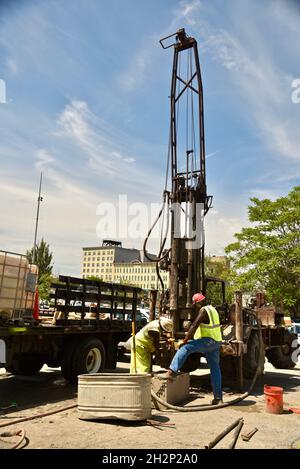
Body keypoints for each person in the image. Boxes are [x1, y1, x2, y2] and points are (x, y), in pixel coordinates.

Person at [166, 293, 223, 405]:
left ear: (197, 303)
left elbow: (194, 325)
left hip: (208, 340)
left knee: (185, 348)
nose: (195, 307)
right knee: (215, 369)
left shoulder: (203, 310)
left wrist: (185, 340)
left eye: (195, 305)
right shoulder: (213, 309)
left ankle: (172, 371)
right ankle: (218, 398)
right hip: (216, 342)